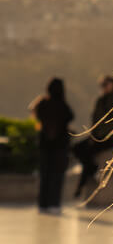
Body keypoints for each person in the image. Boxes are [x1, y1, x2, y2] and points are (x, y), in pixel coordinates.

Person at [73, 75, 113, 202]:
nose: (105, 87)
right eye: (103, 85)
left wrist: (105, 134)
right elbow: (95, 120)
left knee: (88, 153)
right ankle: (90, 170)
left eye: (107, 84)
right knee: (77, 148)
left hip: (109, 137)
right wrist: (93, 135)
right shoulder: (100, 100)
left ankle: (81, 185)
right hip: (97, 135)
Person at [30, 76, 74, 215]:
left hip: (45, 144)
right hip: (60, 145)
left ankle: (42, 204)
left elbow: (33, 110)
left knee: (45, 175)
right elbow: (70, 117)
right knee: (57, 176)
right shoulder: (63, 105)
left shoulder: (43, 103)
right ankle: (54, 203)